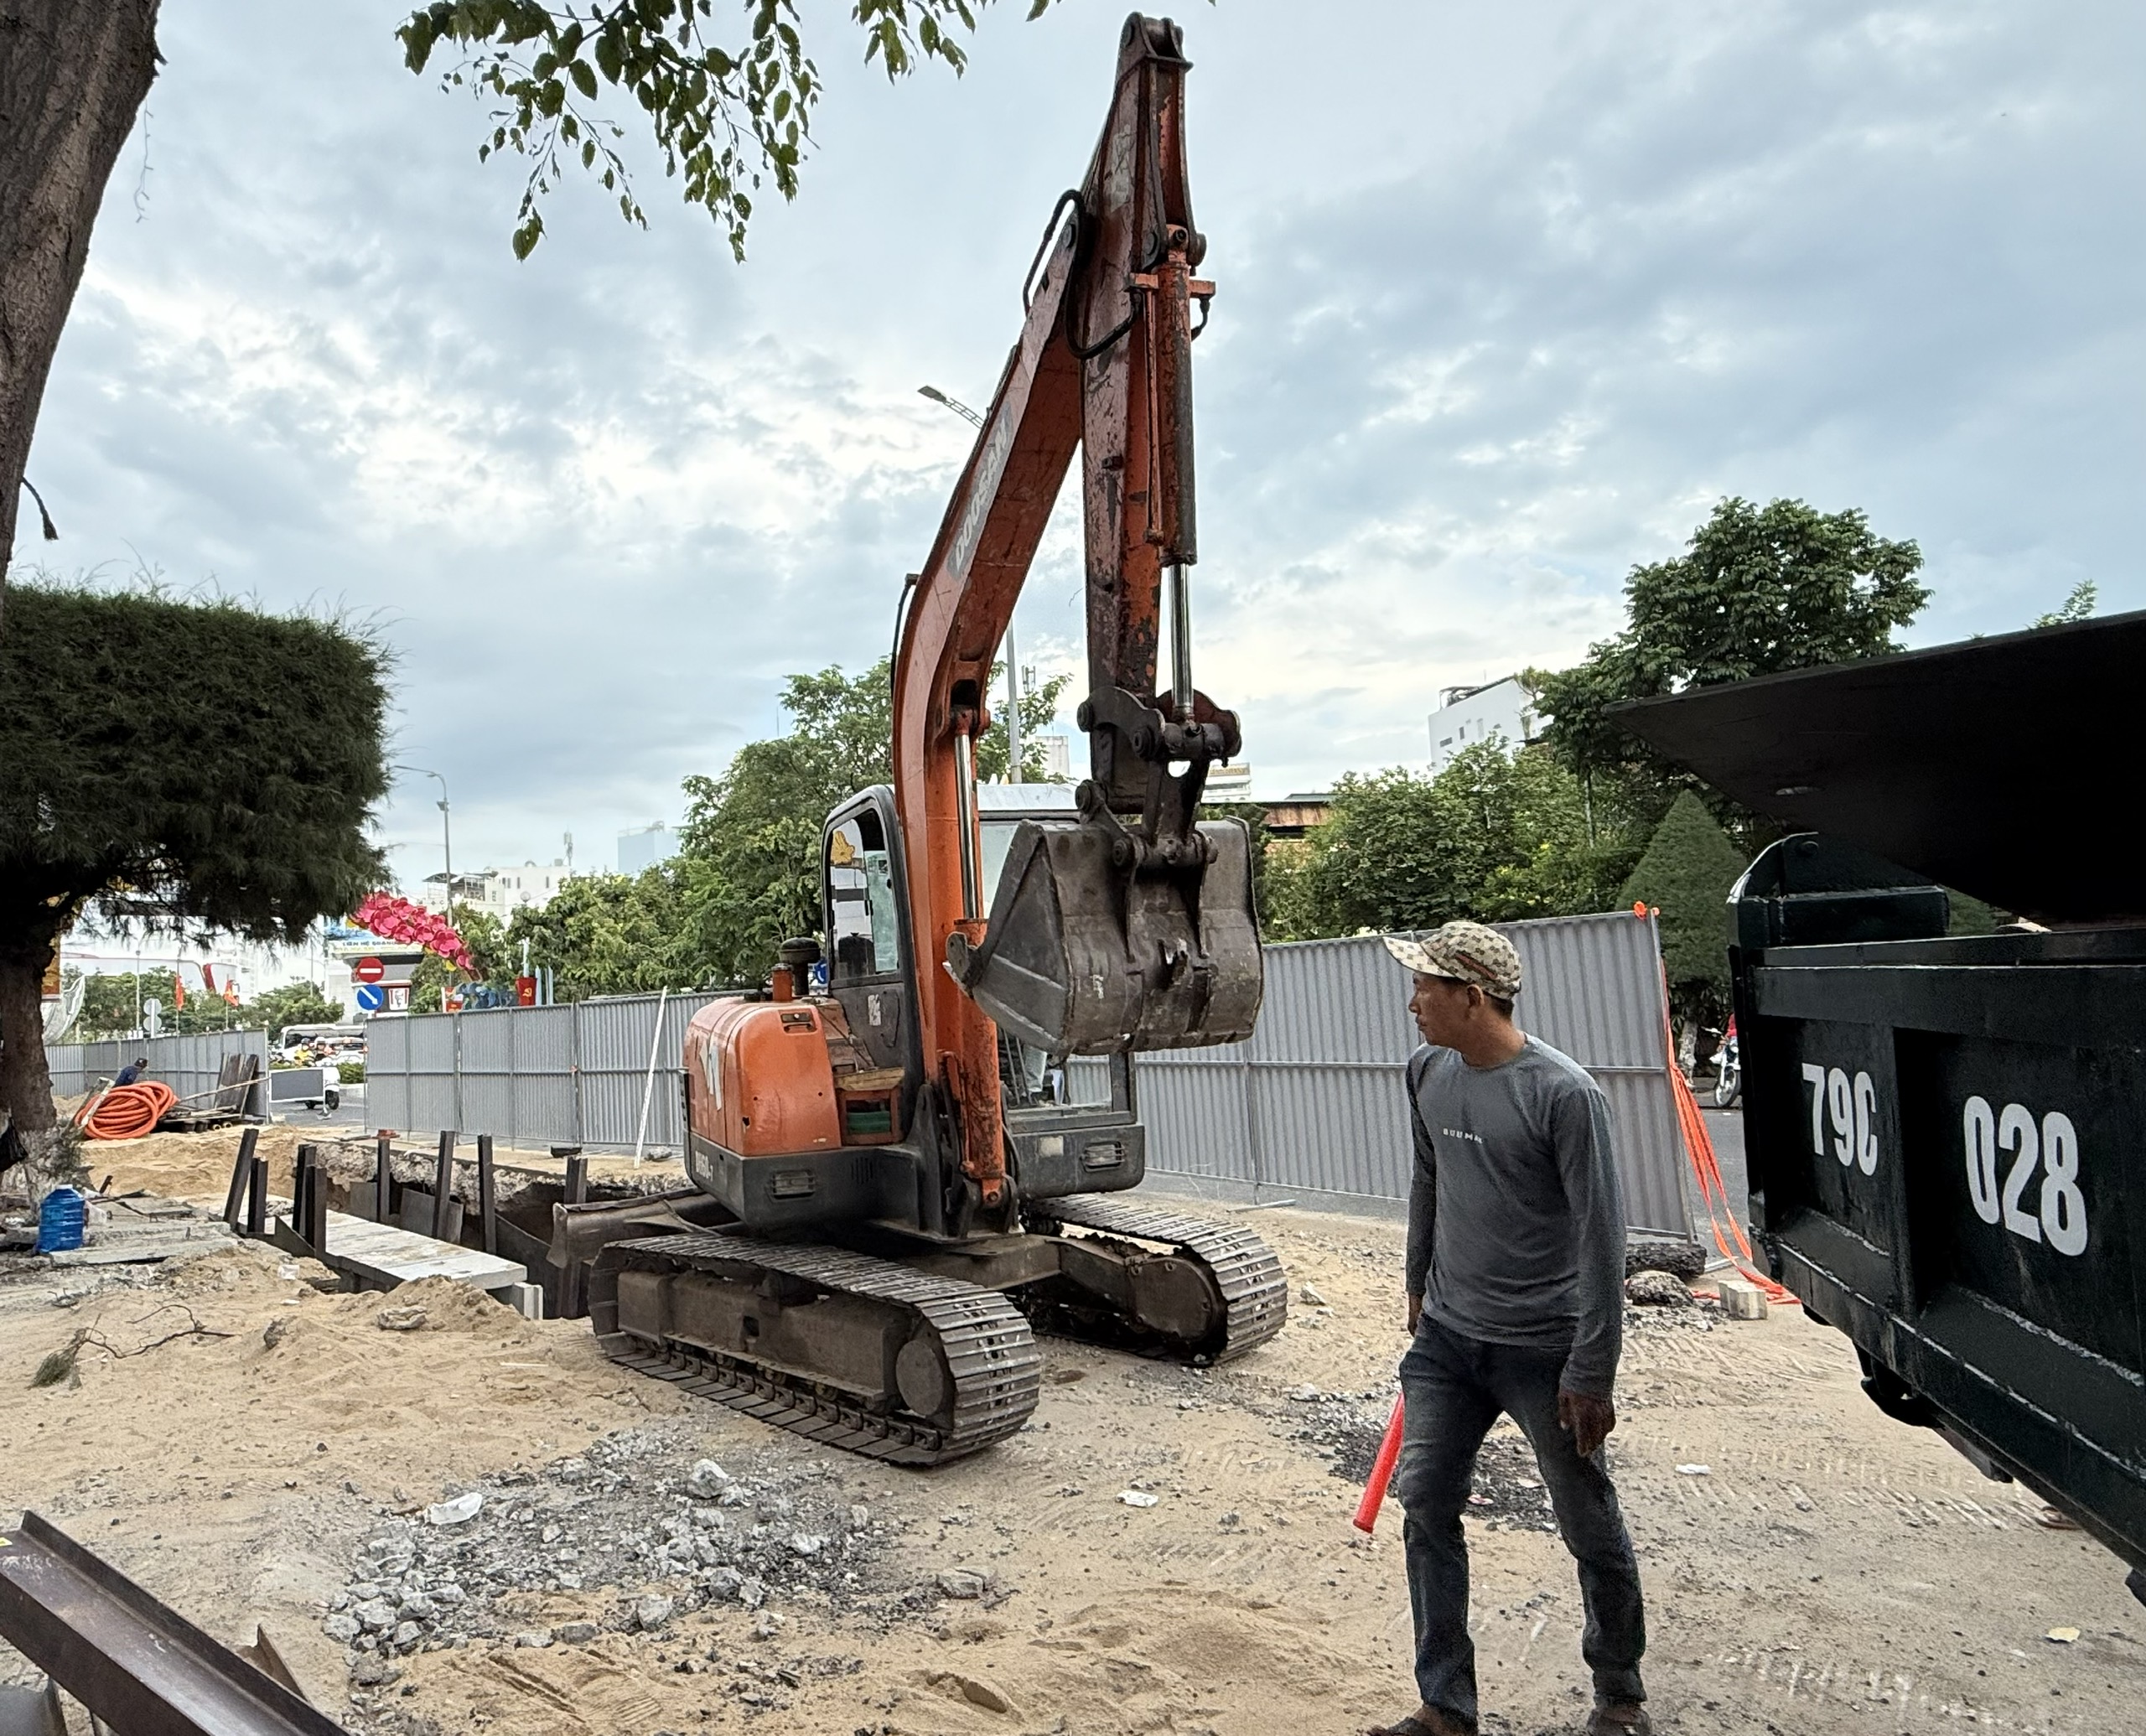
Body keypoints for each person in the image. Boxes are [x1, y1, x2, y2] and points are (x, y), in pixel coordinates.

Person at [1369, 920, 1648, 1736]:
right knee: (1425, 1502)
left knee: (1584, 1516)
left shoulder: (1563, 1094)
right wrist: (1417, 1280)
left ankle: (1620, 1690)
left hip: (1543, 1347)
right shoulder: (1426, 1069)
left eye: (1424, 984)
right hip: (1449, 1341)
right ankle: (1446, 1704)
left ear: (1470, 995)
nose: (1412, 1000)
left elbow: (1602, 1234)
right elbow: (1427, 1176)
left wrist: (1591, 1369)